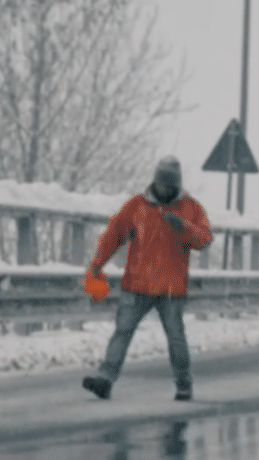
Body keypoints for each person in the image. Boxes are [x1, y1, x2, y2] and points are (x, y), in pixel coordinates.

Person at [82, 156, 213, 401]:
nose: (164, 189)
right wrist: (98, 263)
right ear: (155, 181)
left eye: (169, 186)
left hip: (171, 289)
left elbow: (205, 239)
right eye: (161, 184)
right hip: (137, 284)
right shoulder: (137, 206)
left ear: (176, 185)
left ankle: (184, 385)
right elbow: (114, 234)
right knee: (122, 331)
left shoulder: (190, 208)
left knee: (176, 338)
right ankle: (105, 380)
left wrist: (184, 227)